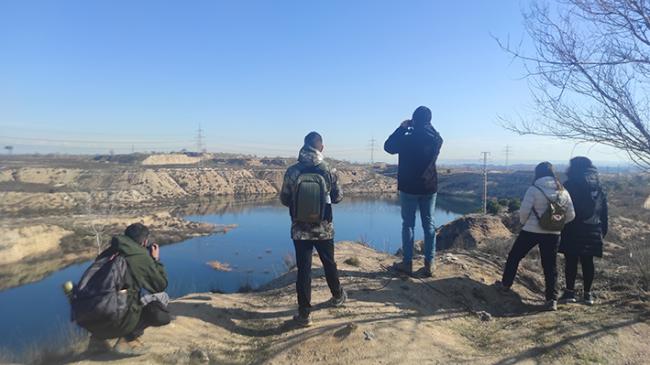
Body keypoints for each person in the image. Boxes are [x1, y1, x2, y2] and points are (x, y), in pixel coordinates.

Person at [280, 132, 347, 327]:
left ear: (303, 146)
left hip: (300, 230)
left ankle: (304, 314)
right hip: (324, 228)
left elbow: (284, 199)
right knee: (329, 263)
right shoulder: (328, 170)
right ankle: (337, 296)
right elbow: (338, 198)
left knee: (304, 270)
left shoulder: (292, 171)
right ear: (321, 148)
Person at [497, 162, 576, 311]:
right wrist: (556, 224)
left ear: (537, 173)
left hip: (531, 231)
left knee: (514, 256)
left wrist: (525, 223)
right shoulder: (563, 191)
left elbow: (524, 212)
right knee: (550, 266)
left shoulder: (534, 189)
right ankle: (551, 299)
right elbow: (571, 215)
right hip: (553, 234)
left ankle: (505, 285)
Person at [86, 223, 171, 355]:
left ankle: (96, 341)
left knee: (115, 298)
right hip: (118, 319)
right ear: (144, 241)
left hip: (90, 318)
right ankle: (127, 340)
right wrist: (155, 260)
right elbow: (160, 285)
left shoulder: (108, 253)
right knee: (162, 299)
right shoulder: (138, 257)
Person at [384, 106, 443, 277]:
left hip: (409, 187)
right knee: (429, 224)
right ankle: (430, 264)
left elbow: (388, 146)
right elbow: (438, 136)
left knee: (408, 224)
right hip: (429, 187)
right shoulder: (435, 139)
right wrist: (426, 126)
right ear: (430, 121)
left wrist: (402, 128)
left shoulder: (406, 138)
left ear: (414, 119)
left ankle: (407, 263)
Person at [559, 157, 608, 306]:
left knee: (571, 260)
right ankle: (588, 295)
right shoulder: (598, 185)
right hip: (594, 227)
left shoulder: (570, 184)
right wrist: (603, 229)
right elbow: (603, 209)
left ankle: (569, 293)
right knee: (588, 261)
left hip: (573, 227)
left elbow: (563, 207)